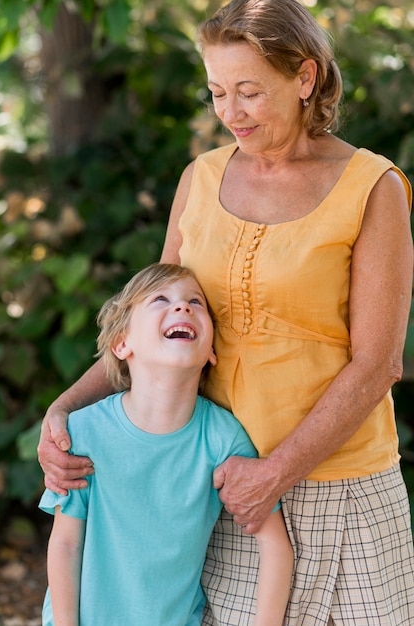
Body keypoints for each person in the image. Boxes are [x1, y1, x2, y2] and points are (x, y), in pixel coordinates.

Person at [38, 0, 414, 624]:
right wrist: (63, 410)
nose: (229, 113)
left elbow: (377, 364)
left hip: (342, 486)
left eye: (249, 92)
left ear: (304, 78)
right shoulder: (201, 177)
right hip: (218, 490)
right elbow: (148, 321)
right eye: (216, 92)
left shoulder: (373, 187)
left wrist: (274, 472)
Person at [38, 262, 293, 626]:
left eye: (195, 302)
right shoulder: (84, 432)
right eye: (161, 299)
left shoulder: (223, 438)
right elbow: (65, 544)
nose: (182, 307)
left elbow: (274, 545)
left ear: (211, 353)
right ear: (122, 343)